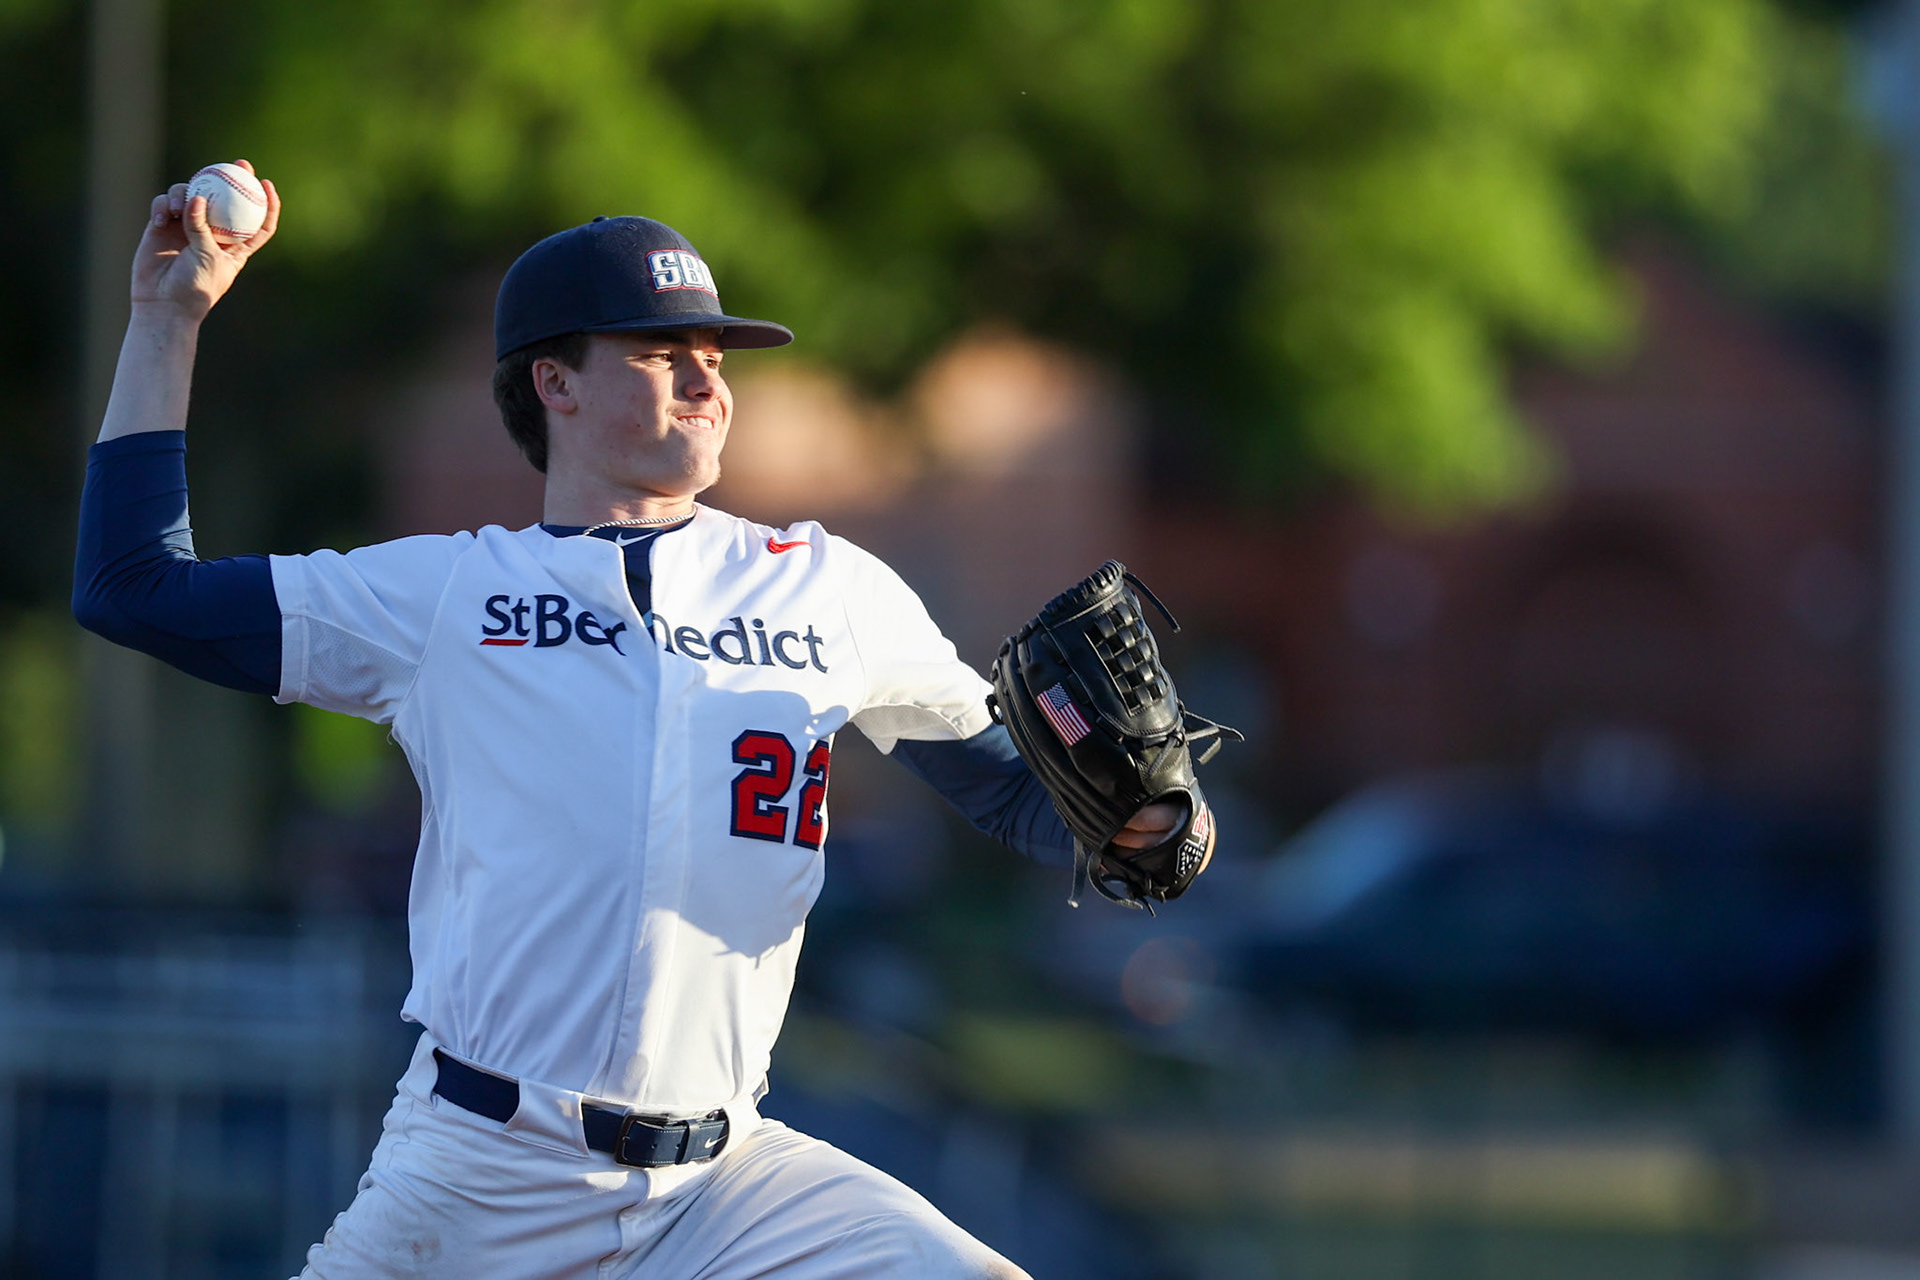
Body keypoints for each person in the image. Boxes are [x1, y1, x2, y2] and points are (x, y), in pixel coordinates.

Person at [74, 165, 1204, 1278]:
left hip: (728, 1185)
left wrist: (1141, 828)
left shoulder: (827, 585)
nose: (707, 381)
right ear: (554, 382)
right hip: (482, 1174)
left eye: (714, 356)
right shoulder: (444, 599)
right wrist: (165, 320)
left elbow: (1016, 791)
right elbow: (132, 587)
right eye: (662, 353)